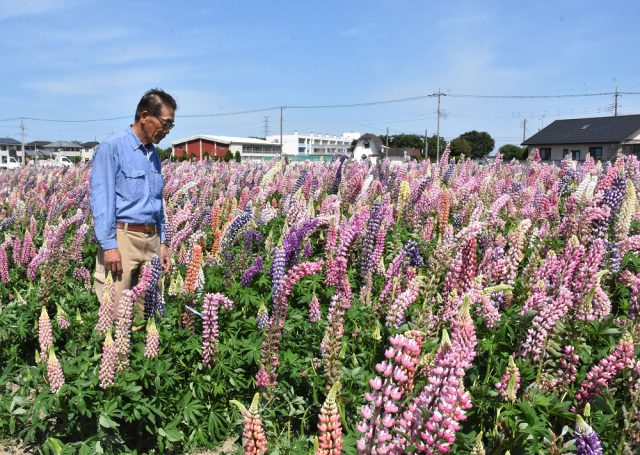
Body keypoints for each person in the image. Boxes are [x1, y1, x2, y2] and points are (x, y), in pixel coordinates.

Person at [90, 88, 175, 317]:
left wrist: (163, 242)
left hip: (152, 239)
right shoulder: (113, 146)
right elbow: (102, 199)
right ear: (145, 116)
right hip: (123, 239)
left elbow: (157, 202)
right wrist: (109, 246)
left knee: (146, 312)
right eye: (165, 123)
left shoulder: (153, 154)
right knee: (117, 314)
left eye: (171, 126)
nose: (167, 131)